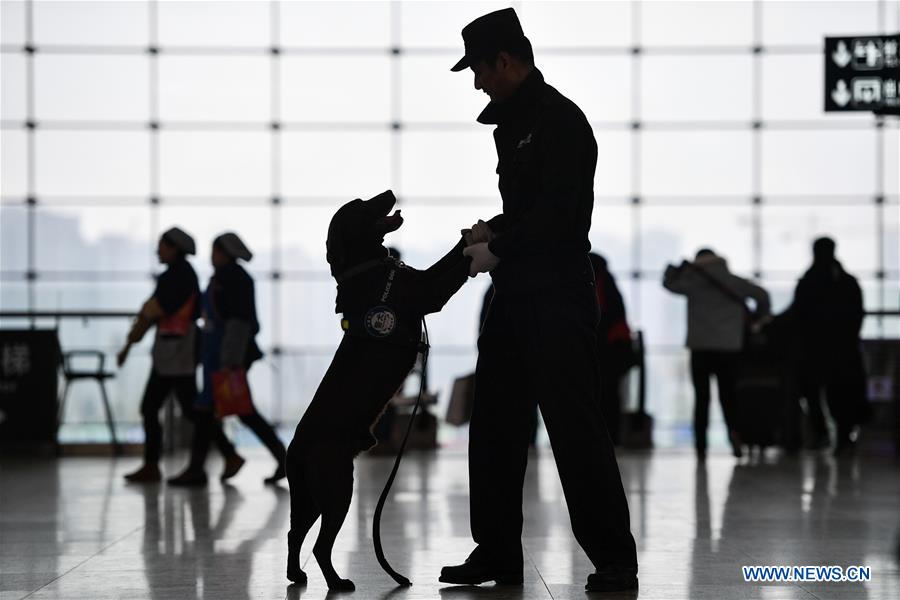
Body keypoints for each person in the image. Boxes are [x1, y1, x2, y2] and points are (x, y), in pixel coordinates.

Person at [440, 8, 638, 593]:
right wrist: (491, 231)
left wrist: (500, 244)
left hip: (556, 295)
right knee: (495, 423)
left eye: (478, 68)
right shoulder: (511, 124)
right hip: (515, 293)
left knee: (574, 427)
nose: (476, 81)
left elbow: (558, 218)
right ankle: (497, 551)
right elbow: (528, 212)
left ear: (506, 60)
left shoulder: (562, 122)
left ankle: (614, 559)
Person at [171, 233, 287, 486]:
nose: (212, 257)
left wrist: (229, 361)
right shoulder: (225, 277)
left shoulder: (234, 279)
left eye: (214, 251)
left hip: (226, 357)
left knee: (223, 411)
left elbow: (240, 322)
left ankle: (198, 469)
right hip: (217, 355)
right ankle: (281, 458)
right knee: (229, 411)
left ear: (224, 252)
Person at [119, 227, 225, 483]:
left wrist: (128, 344)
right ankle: (227, 453)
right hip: (176, 352)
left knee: (172, 408)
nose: (158, 250)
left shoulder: (175, 277)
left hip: (176, 353)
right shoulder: (183, 275)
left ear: (174, 248)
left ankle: (154, 465)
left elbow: (150, 312)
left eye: (162, 246)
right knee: (186, 408)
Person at [663, 248, 771, 459]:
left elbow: (669, 284)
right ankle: (735, 436)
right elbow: (762, 295)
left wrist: (676, 270)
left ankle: (701, 447)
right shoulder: (733, 281)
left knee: (701, 399)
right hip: (729, 348)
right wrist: (759, 318)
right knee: (729, 397)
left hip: (700, 348)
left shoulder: (692, 282)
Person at [791, 237, 868, 455]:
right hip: (843, 348)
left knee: (812, 392)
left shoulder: (808, 281)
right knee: (841, 394)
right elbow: (856, 315)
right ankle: (843, 436)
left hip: (814, 349)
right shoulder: (847, 281)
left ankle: (822, 432)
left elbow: (798, 315)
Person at [590, 253, 634, 446]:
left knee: (593, 395)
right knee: (610, 397)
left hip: (599, 351)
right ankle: (611, 436)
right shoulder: (608, 284)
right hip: (613, 353)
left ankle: (594, 436)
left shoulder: (589, 284)